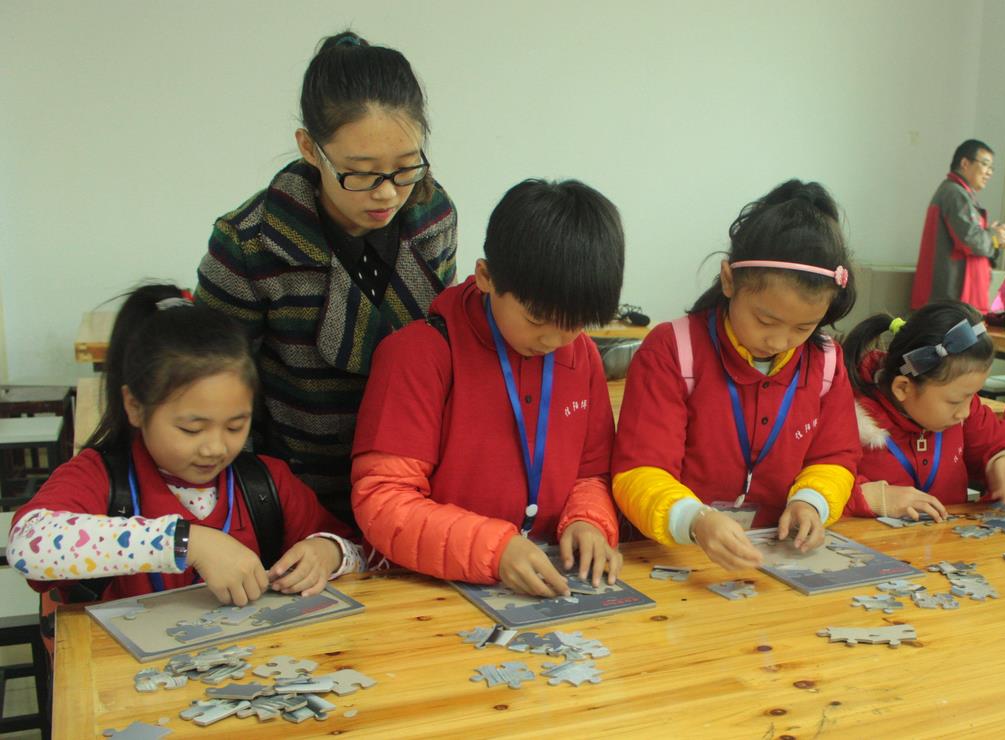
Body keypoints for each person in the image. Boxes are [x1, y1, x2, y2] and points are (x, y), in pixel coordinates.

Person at [195, 31, 458, 521]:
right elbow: (214, 382)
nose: (387, 193)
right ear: (310, 149)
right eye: (361, 172)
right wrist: (251, 505)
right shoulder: (250, 242)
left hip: (410, 481)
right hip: (292, 490)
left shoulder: (432, 217)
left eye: (406, 168)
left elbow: (437, 347)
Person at [351, 179, 625, 597]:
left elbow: (591, 475)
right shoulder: (418, 354)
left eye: (574, 324)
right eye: (536, 319)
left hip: (543, 583)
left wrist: (589, 521)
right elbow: (384, 501)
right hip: (426, 593)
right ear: (485, 276)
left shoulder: (581, 354)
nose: (553, 340)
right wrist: (495, 550)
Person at [8, 286, 363, 606]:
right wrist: (186, 543)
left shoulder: (266, 485)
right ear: (135, 406)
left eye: (235, 426)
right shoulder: (101, 478)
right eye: (191, 429)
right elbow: (28, 546)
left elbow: (363, 552)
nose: (215, 448)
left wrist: (329, 551)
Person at [612, 180, 860, 571]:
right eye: (765, 320)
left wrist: (811, 501)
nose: (779, 341)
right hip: (674, 555)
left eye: (803, 327)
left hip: (774, 559)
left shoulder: (826, 361)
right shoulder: (673, 349)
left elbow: (835, 457)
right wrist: (694, 520)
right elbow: (638, 470)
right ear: (729, 280)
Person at [840, 302, 1005, 522]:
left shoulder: (963, 411)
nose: (965, 412)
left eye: (972, 396)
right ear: (903, 388)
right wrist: (873, 497)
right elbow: (818, 484)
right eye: (955, 401)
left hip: (945, 540)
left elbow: (1001, 443)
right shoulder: (848, 416)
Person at [911, 139, 1005, 311]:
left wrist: (995, 239)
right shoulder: (954, 193)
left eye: (992, 168)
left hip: (959, 299)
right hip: (951, 300)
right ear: (965, 163)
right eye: (985, 164)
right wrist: (993, 236)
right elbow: (970, 240)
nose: (989, 172)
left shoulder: (960, 193)